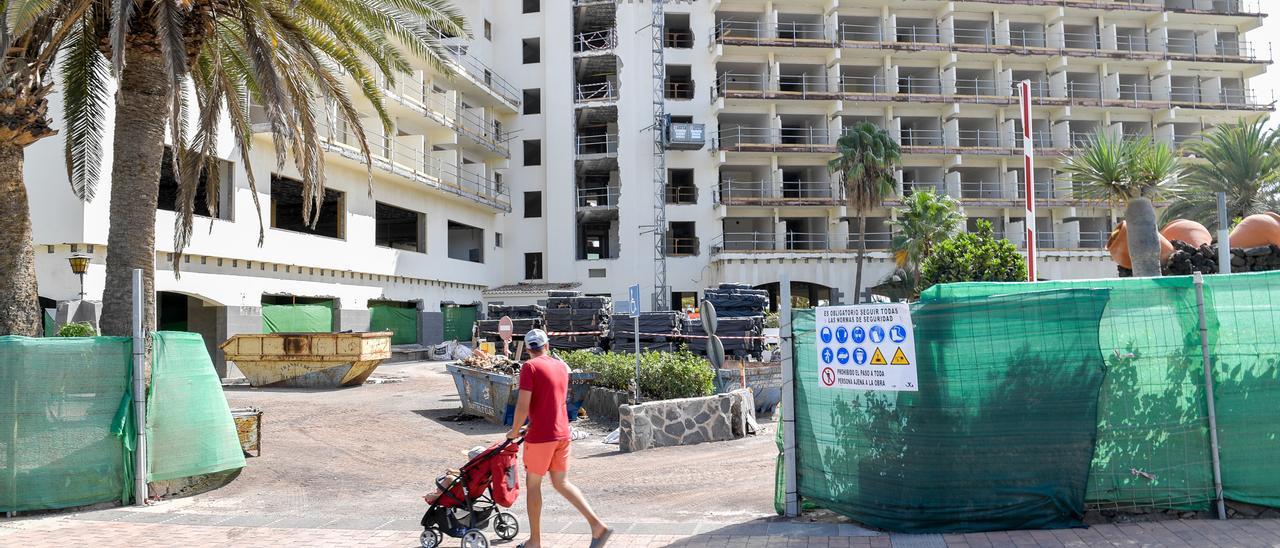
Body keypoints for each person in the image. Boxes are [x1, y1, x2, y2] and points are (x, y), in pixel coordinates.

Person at [507, 329, 612, 548]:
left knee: (533, 485)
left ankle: (534, 542)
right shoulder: (561, 366)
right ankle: (597, 526)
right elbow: (551, 401)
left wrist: (515, 430)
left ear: (528, 349)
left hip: (541, 437)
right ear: (547, 345)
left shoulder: (529, 367)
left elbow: (523, 405)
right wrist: (530, 424)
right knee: (561, 482)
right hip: (562, 432)